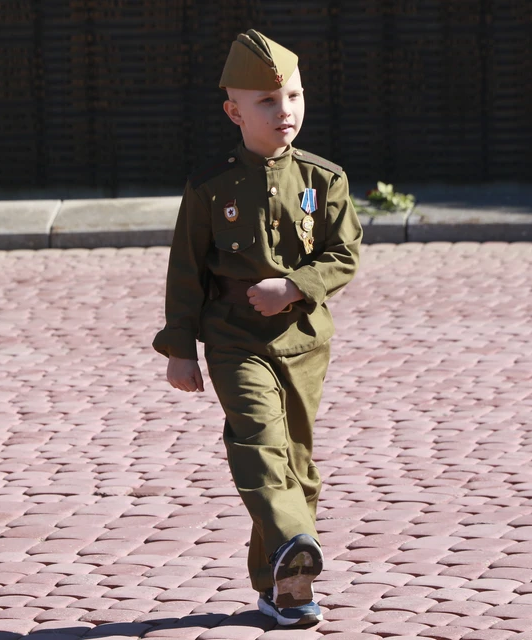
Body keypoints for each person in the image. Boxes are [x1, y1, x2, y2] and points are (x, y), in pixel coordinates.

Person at [152, 29, 362, 627]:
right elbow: (186, 271)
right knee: (257, 442)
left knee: (296, 464)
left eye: (293, 97)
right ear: (234, 111)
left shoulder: (325, 181)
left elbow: (344, 254)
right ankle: (296, 538)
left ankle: (285, 585)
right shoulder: (210, 187)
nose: (285, 111)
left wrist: (295, 286)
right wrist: (180, 349)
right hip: (234, 341)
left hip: (304, 344)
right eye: (268, 101)